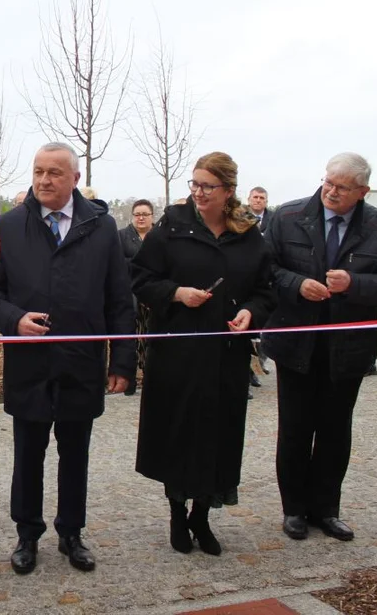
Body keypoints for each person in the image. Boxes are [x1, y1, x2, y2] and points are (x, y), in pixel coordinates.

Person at [0, 142, 136, 575]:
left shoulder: (101, 227)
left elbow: (118, 298)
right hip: (29, 365)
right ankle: (27, 534)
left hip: (81, 362)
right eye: (38, 171)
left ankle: (71, 532)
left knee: (76, 454)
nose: (44, 180)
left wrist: (122, 361)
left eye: (54, 172)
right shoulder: (10, 226)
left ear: (75, 178)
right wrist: (13, 320)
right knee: (28, 454)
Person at [131, 153, 275, 555]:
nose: (198, 193)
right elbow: (141, 278)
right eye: (194, 184)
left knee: (217, 437)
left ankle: (202, 516)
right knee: (178, 435)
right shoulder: (172, 226)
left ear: (228, 191)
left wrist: (251, 312)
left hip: (225, 356)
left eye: (207, 186)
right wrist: (177, 293)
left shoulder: (248, 234)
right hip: (178, 353)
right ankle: (178, 515)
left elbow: (266, 290)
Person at [261, 153, 377, 543]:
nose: (330, 191)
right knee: (294, 429)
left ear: (362, 191)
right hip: (296, 341)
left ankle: (326, 509)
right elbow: (266, 269)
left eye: (341, 187)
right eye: (328, 182)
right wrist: (296, 284)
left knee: (335, 432)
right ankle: (293, 509)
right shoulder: (288, 216)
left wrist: (354, 283)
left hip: (348, 348)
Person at [119, 199, 154, 396]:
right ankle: (130, 379)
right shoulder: (122, 236)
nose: (141, 218)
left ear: (152, 216)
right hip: (130, 292)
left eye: (145, 214)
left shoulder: (159, 235)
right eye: (137, 214)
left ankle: (150, 376)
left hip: (153, 294)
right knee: (131, 337)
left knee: (151, 337)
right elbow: (118, 262)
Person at [247, 187, 273, 382]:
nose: (258, 200)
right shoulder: (239, 217)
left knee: (262, 327)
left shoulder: (274, 220)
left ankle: (260, 363)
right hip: (245, 277)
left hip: (265, 276)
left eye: (261, 197)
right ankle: (249, 372)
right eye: (255, 197)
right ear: (249, 199)